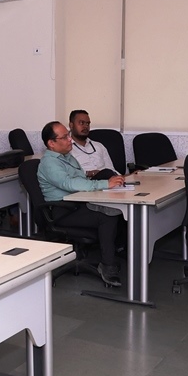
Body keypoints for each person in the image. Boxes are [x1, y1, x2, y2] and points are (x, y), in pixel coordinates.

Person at [37, 121, 126, 287]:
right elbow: (70, 184)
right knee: (107, 217)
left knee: (116, 209)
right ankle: (107, 265)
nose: (70, 139)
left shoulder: (67, 157)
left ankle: (116, 253)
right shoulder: (49, 163)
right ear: (51, 143)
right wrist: (105, 184)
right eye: (64, 137)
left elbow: (82, 179)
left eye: (68, 136)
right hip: (62, 210)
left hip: (78, 203)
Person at [68, 110, 119, 179]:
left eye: (87, 124)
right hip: (83, 181)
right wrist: (88, 173)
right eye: (82, 123)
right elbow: (66, 173)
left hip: (107, 180)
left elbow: (111, 169)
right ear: (71, 125)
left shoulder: (99, 146)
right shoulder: (65, 148)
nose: (85, 126)